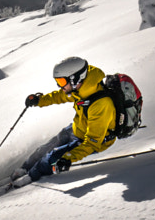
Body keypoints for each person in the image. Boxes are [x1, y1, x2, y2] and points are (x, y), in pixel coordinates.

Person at [11, 57, 117, 187]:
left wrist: (68, 159)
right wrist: (39, 100)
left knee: (51, 158)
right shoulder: (80, 89)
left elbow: (91, 143)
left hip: (91, 140)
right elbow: (59, 96)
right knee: (44, 148)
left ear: (75, 79)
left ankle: (30, 177)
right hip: (77, 128)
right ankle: (24, 168)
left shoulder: (101, 105)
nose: (60, 86)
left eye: (61, 81)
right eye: (58, 81)